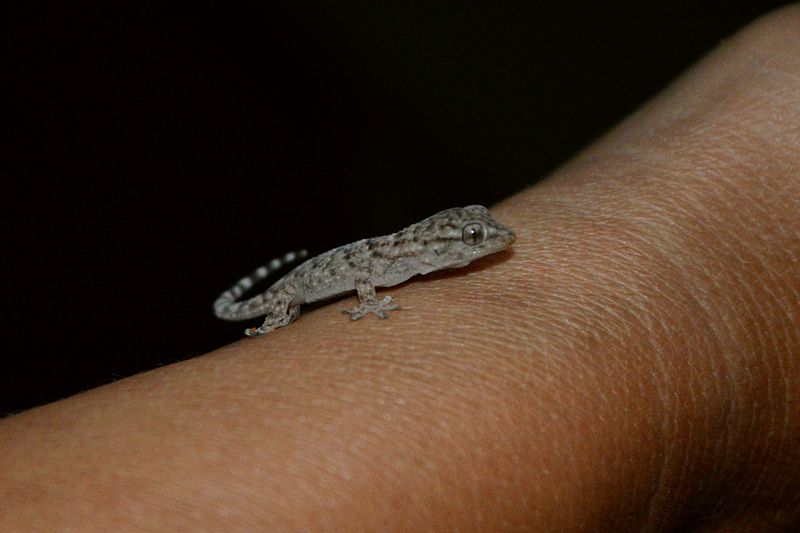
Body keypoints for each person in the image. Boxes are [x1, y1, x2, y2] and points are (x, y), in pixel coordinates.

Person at [1, 5, 797, 530]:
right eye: (474, 242)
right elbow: (368, 282)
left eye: (477, 237)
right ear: (437, 247)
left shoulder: (414, 251)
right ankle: (277, 319)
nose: (487, 243)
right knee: (268, 310)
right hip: (287, 297)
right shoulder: (390, 267)